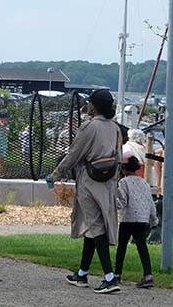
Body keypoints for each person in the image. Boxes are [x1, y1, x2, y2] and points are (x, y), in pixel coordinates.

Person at [49, 89, 123, 294]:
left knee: (95, 225)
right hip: (107, 181)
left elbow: (74, 154)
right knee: (94, 226)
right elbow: (118, 156)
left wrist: (55, 174)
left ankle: (109, 277)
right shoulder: (115, 128)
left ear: (95, 105)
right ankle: (82, 273)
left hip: (89, 181)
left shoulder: (89, 127)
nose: (87, 106)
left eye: (89, 102)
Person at [115, 155, 157, 288]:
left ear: (123, 169)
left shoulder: (123, 182)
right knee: (142, 246)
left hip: (127, 218)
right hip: (142, 219)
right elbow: (150, 202)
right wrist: (153, 218)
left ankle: (117, 274)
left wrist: (111, 202)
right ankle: (148, 275)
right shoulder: (144, 183)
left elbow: (122, 202)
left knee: (122, 246)